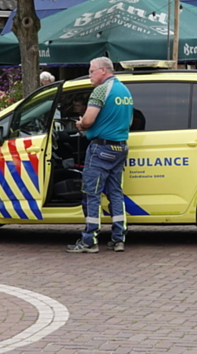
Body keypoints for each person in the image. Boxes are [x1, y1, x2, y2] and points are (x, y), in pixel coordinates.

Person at [66, 57, 133, 254]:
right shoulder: (125, 91)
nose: (89, 76)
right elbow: (128, 121)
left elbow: (88, 120)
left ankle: (89, 240)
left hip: (101, 149)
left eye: (91, 71)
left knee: (91, 194)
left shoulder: (101, 90)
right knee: (115, 193)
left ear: (103, 70)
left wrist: (81, 125)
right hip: (120, 148)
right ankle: (119, 238)